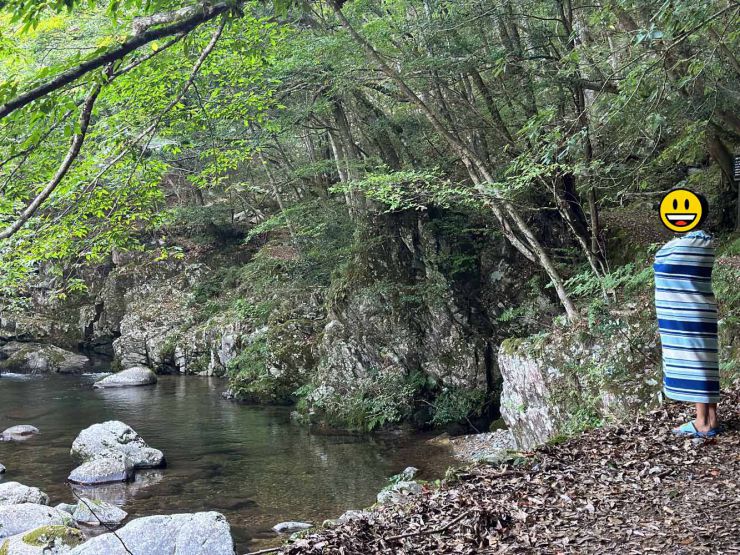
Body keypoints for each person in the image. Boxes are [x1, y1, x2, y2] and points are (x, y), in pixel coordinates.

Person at [654, 193, 720, 438]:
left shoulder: (692, 245)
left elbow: (668, 264)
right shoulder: (704, 243)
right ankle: (710, 418)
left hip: (688, 314)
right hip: (697, 311)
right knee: (704, 362)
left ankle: (703, 423)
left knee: (696, 364)